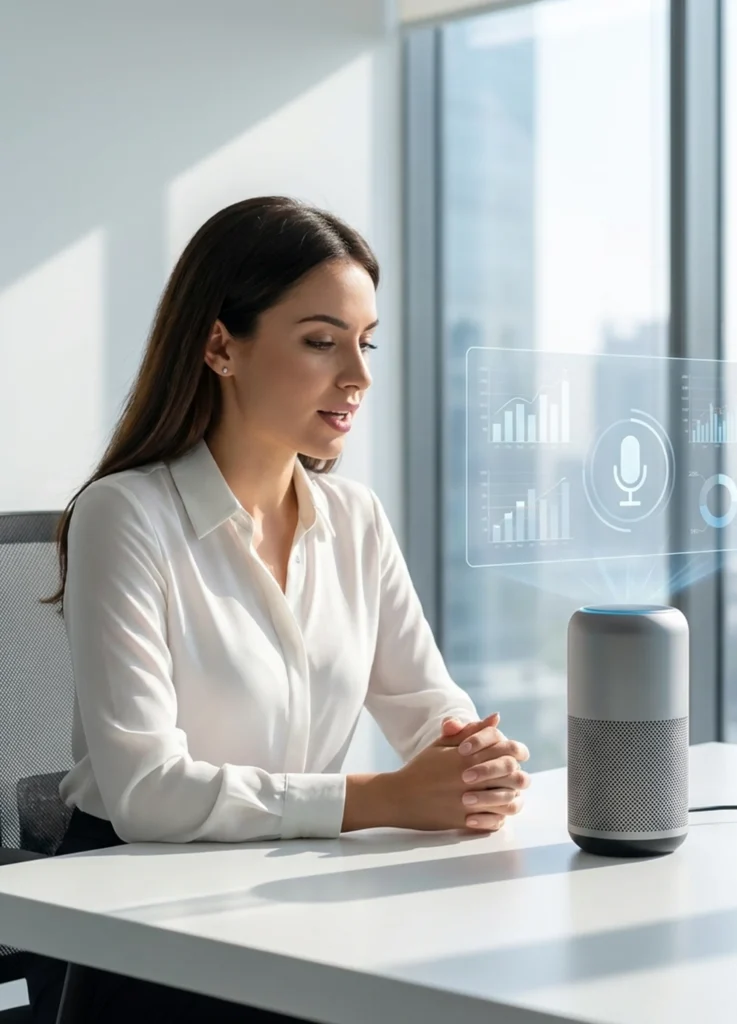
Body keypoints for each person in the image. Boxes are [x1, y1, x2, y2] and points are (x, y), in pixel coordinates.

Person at [27, 196, 531, 1022]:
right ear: (221, 344)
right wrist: (377, 799)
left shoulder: (355, 519)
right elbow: (147, 791)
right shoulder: (125, 515)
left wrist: (475, 764)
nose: (359, 377)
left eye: (365, 344)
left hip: (288, 896)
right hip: (134, 922)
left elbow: (426, 705)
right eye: (321, 341)